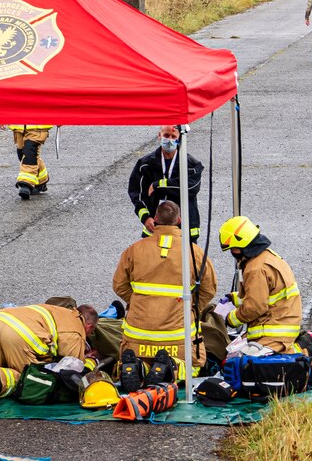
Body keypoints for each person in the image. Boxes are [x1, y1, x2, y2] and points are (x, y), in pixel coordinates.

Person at [112, 200, 216, 377]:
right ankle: (171, 369)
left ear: (154, 220)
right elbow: (209, 289)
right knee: (194, 367)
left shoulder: (134, 250)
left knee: (141, 361)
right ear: (179, 221)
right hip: (178, 338)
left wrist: (138, 302)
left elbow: (119, 285)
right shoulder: (194, 252)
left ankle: (140, 367)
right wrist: (191, 308)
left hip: (138, 337)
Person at [0, 303, 98, 403]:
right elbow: (71, 370)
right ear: (89, 326)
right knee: (30, 379)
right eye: (90, 332)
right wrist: (90, 361)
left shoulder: (57, 310)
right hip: (20, 334)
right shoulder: (76, 328)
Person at [215, 216, 301, 354]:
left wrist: (230, 318)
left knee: (236, 362)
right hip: (283, 328)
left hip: (272, 335)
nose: (232, 253)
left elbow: (255, 307)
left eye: (233, 249)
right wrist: (234, 299)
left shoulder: (255, 269)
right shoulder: (269, 256)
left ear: (242, 245)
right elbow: (264, 295)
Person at [128, 126, 204, 242]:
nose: (169, 140)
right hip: (155, 226)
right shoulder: (145, 164)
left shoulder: (191, 165)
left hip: (184, 228)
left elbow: (190, 188)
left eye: (173, 137)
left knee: (185, 260)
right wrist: (145, 217)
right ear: (159, 135)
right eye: (166, 135)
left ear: (180, 138)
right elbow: (137, 194)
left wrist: (158, 185)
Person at [7, 124, 52, 200]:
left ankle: (26, 184)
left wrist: (61, 118)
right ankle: (41, 181)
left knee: (29, 151)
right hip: (19, 124)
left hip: (38, 125)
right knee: (22, 154)